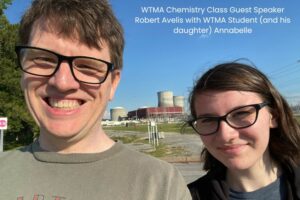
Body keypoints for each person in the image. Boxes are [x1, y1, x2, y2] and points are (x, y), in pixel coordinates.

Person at [0, 0, 192, 199]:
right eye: (44, 60)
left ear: (113, 83)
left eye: (87, 66)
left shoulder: (161, 186)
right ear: (22, 70)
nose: (63, 82)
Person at [187, 62, 300, 200]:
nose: (225, 135)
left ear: (273, 116)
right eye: (208, 120)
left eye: (241, 114)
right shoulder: (186, 196)